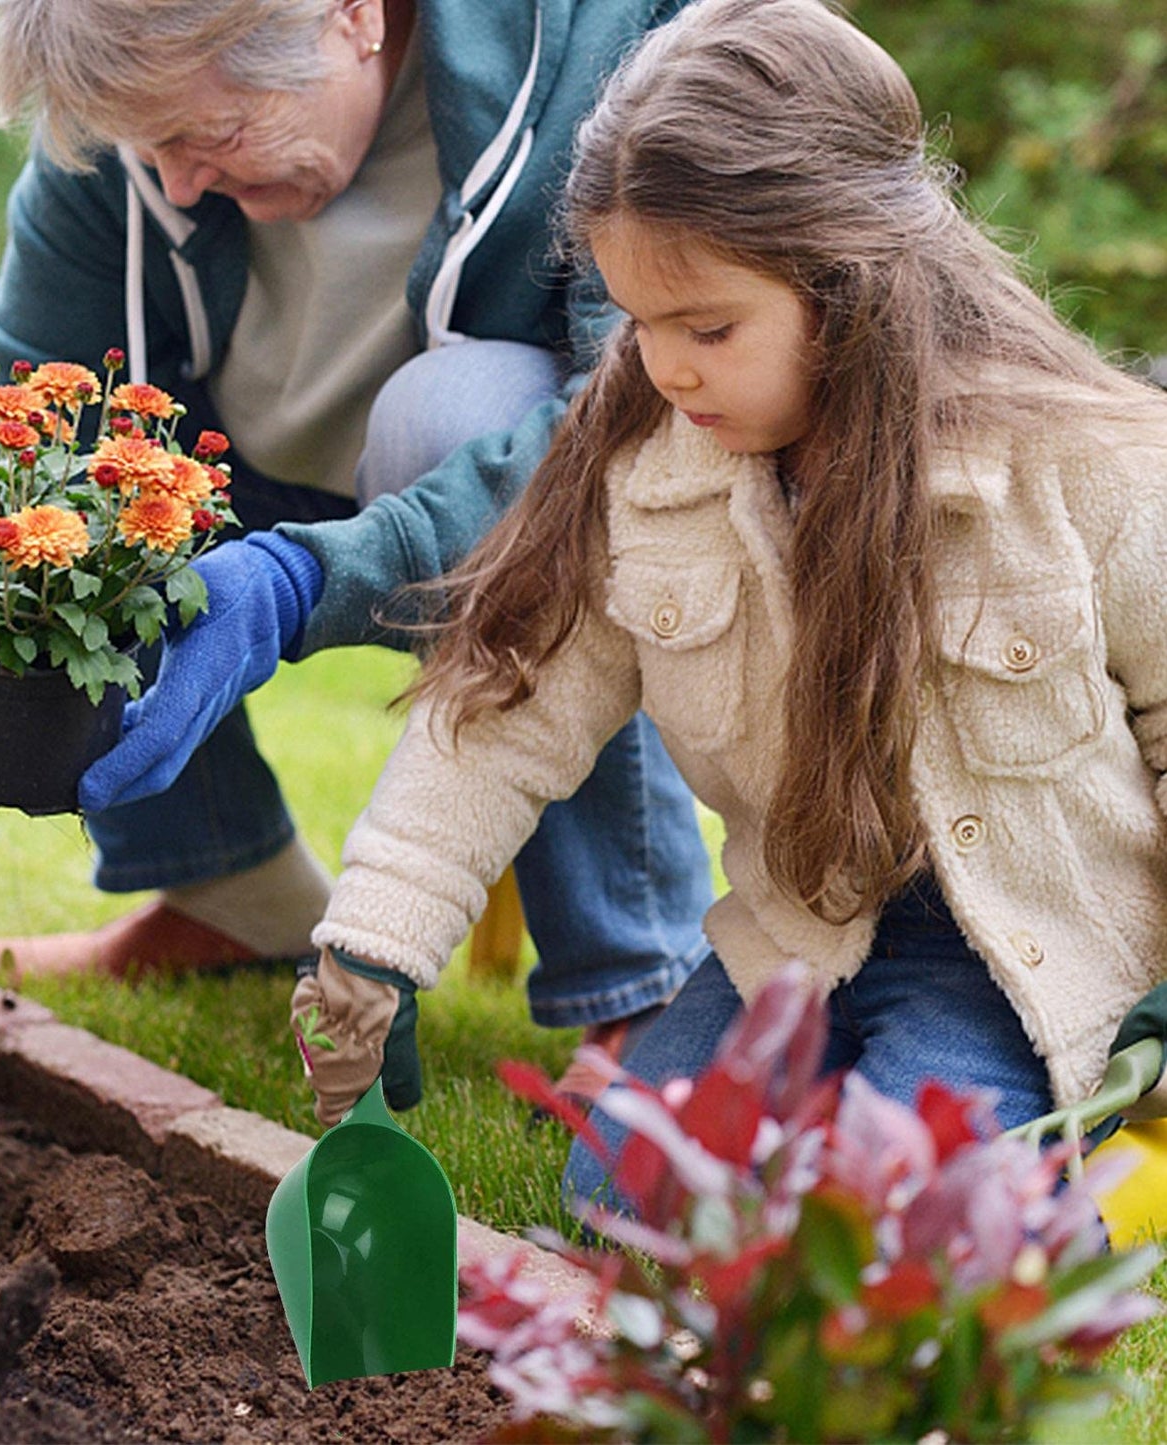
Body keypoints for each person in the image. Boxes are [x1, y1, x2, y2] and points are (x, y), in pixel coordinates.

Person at [293, 0, 1167, 1218]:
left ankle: (1016, 1134)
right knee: (625, 1194)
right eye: (637, 321)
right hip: (801, 932)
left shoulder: (1078, 459)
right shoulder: (647, 466)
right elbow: (506, 710)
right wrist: (375, 939)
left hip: (1024, 947)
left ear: (853, 279)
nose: (663, 366)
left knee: (876, 1224)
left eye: (705, 326)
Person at [0, 0, 715, 1067]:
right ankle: (232, 888)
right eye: (151, 151)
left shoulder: (606, 51)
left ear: (350, 17)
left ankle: (635, 982)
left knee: (453, 410)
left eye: (208, 137)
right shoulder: (129, 158)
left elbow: (634, 432)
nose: (178, 184)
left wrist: (295, 581)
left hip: (467, 484)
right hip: (244, 485)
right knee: (13, 404)